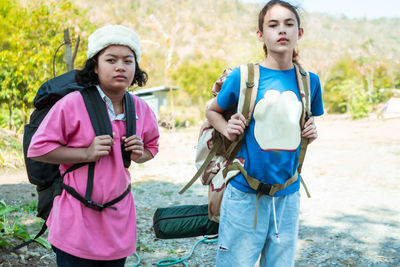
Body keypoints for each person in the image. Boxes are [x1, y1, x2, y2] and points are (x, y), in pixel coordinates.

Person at [28, 25, 159, 266]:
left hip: (118, 220)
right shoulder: (72, 104)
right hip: (75, 220)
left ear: (135, 67)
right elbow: (38, 149)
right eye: (111, 60)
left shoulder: (141, 109)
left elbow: (152, 147)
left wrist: (141, 154)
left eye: (128, 61)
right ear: (95, 66)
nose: (120, 66)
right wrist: (86, 153)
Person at [206, 1, 324, 266]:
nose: (281, 30)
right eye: (273, 25)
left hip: (288, 194)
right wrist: (228, 128)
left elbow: (303, 122)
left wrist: (310, 131)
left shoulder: (310, 81)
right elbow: (212, 111)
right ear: (261, 34)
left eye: (289, 24)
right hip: (244, 193)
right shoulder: (243, 76)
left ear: (299, 33)